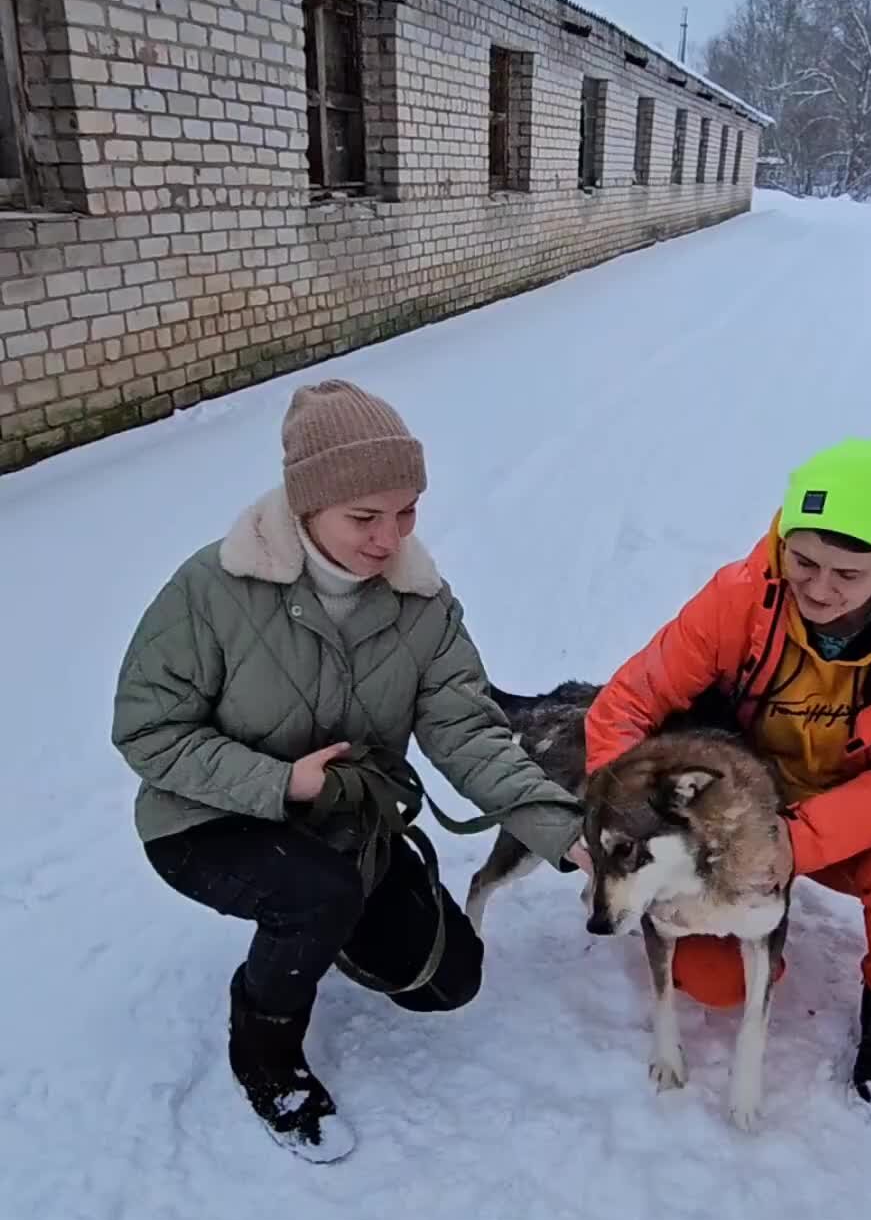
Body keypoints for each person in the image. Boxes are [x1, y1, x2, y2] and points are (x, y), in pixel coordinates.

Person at [112, 381, 588, 1161]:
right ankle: (264, 1043)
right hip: (205, 819)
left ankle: (323, 918)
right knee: (317, 895)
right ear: (305, 508)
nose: (388, 538)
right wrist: (278, 783)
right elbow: (147, 729)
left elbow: (467, 732)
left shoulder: (423, 607)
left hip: (343, 825)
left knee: (447, 981)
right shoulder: (213, 589)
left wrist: (564, 829)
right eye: (364, 517)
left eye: (406, 513)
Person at [584, 438, 871, 1126]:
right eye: (802, 559)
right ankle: (762, 947)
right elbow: (628, 703)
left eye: (848, 573)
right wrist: (617, 807)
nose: (818, 587)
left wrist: (797, 842)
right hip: (748, 806)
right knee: (712, 979)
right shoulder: (743, 598)